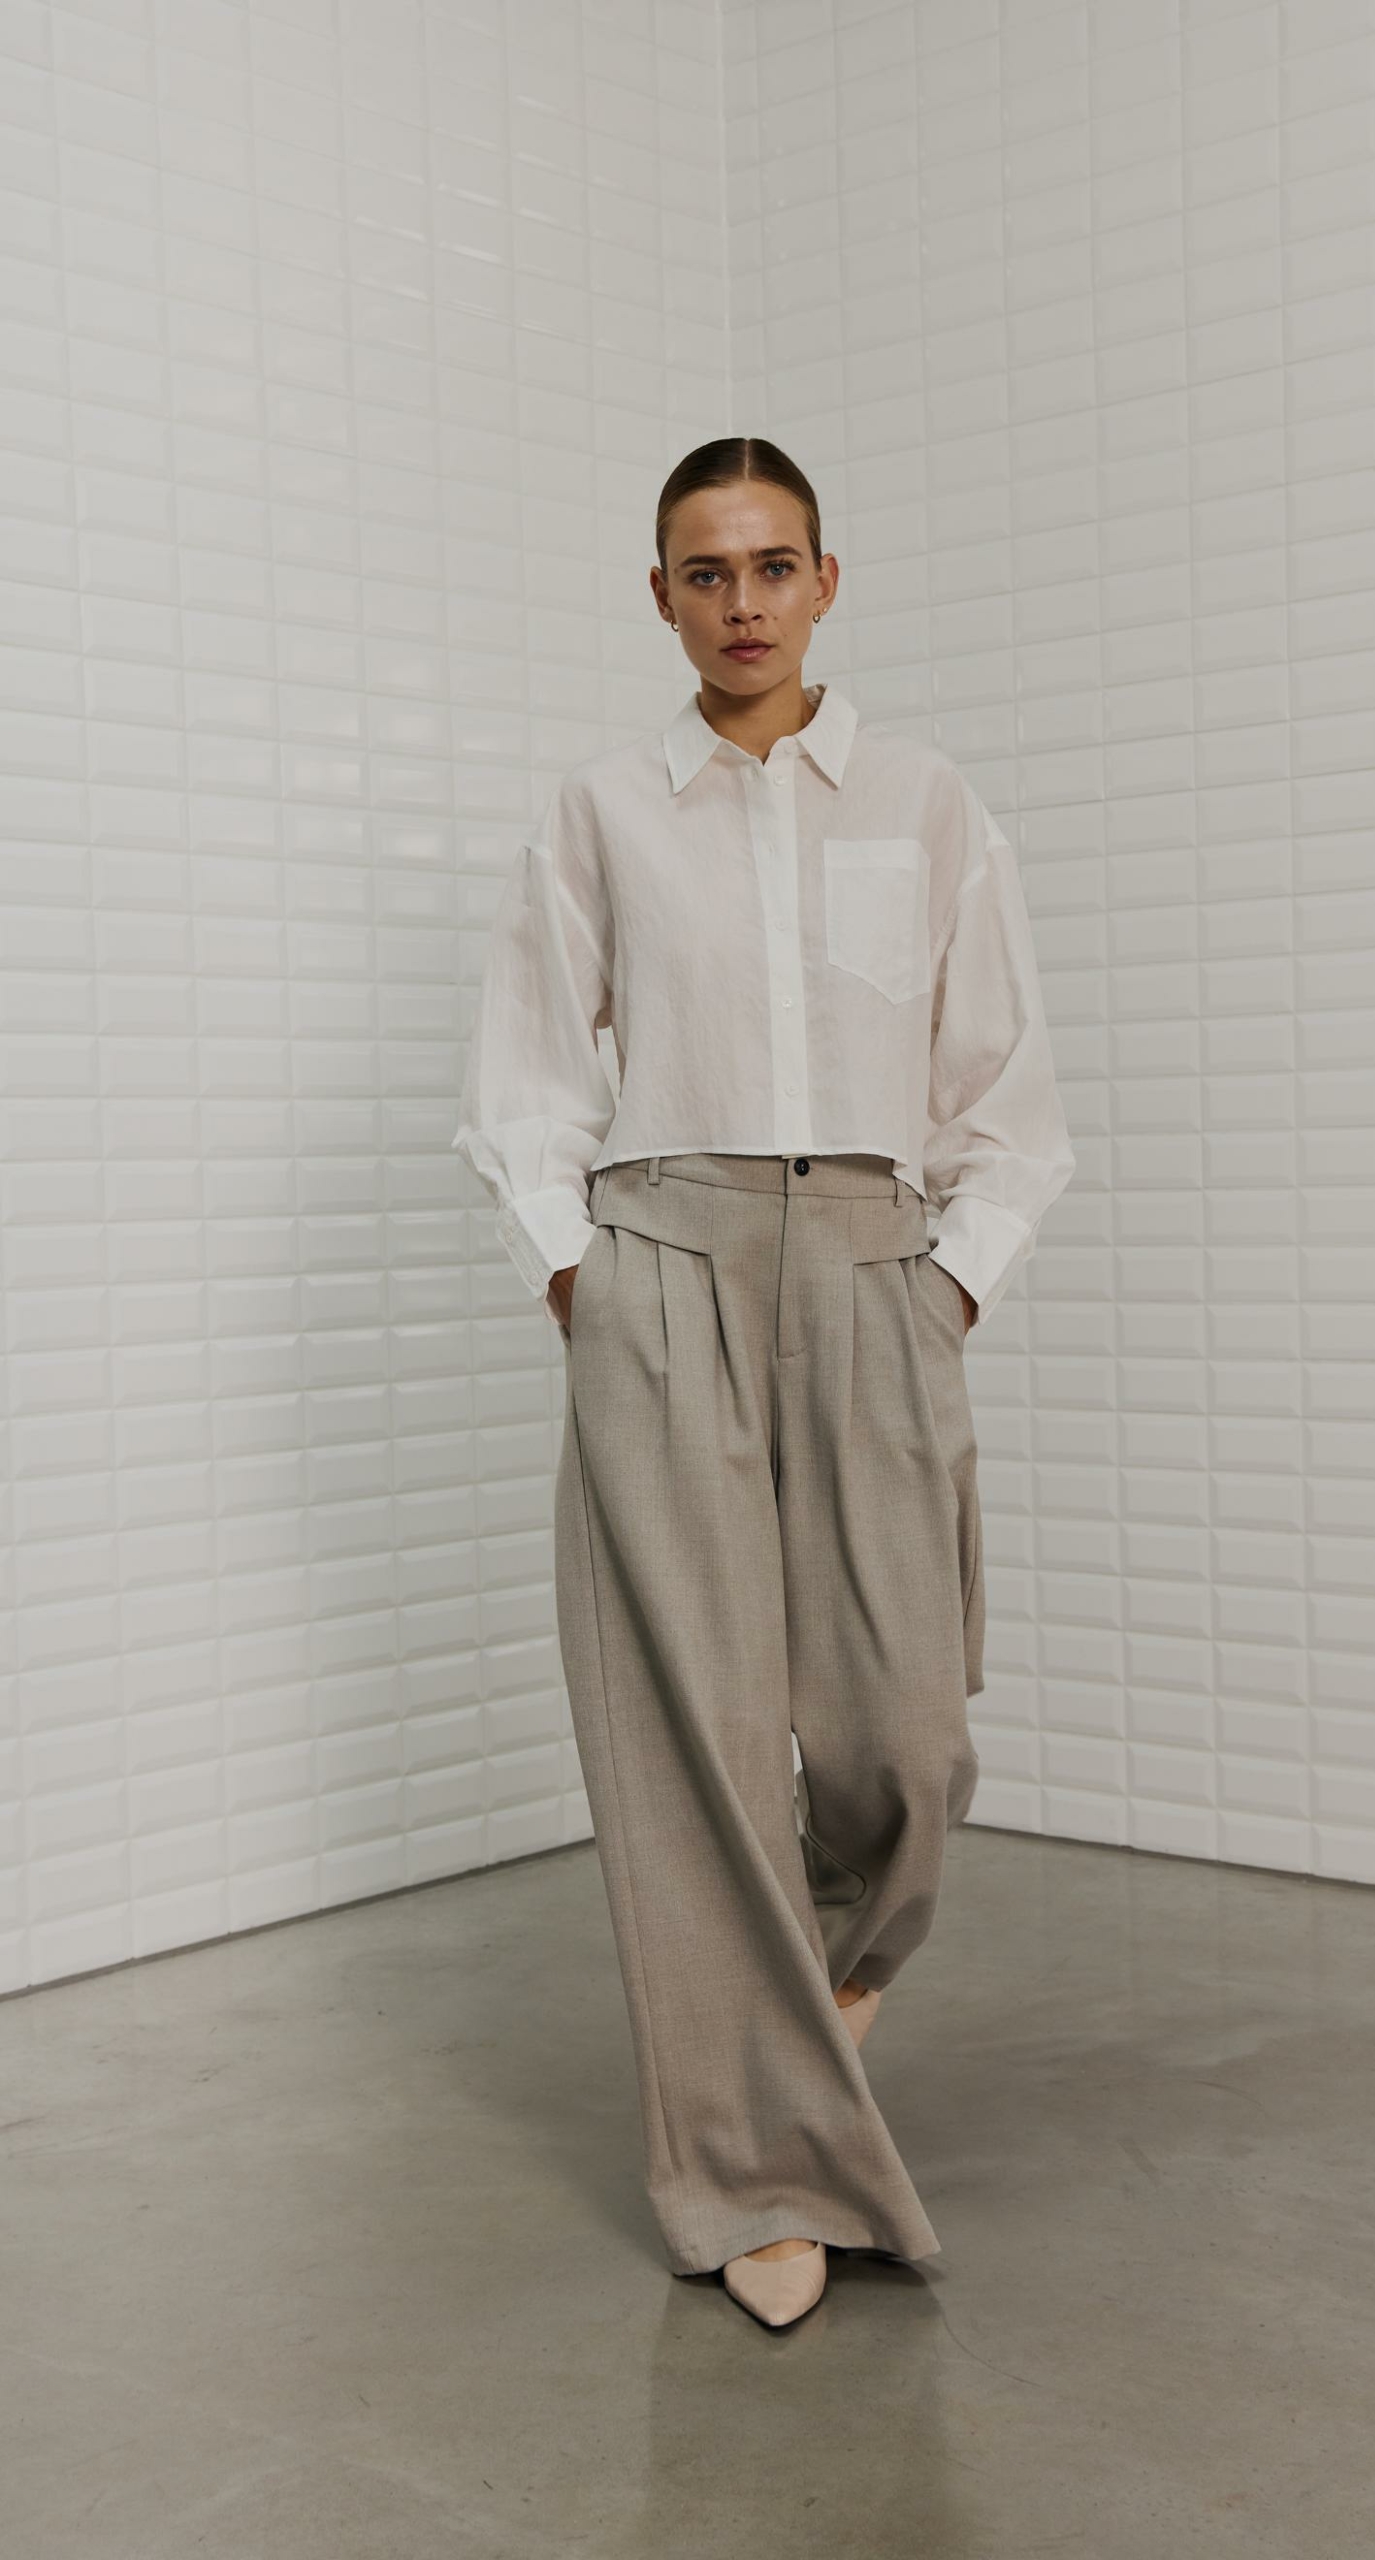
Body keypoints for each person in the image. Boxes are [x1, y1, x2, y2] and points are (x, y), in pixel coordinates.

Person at [453, 436, 1075, 2329]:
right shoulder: (600, 811)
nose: (742, 602)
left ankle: (798, 2005)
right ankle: (750, 2173)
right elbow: (525, 1080)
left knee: (907, 1735)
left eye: (773, 565)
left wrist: (945, 1286)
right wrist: (581, 1279)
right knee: (694, 1740)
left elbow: (1008, 1098)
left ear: (826, 580)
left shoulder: (926, 802)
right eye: (705, 572)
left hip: (876, 1265)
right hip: (662, 1258)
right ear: (661, 597)